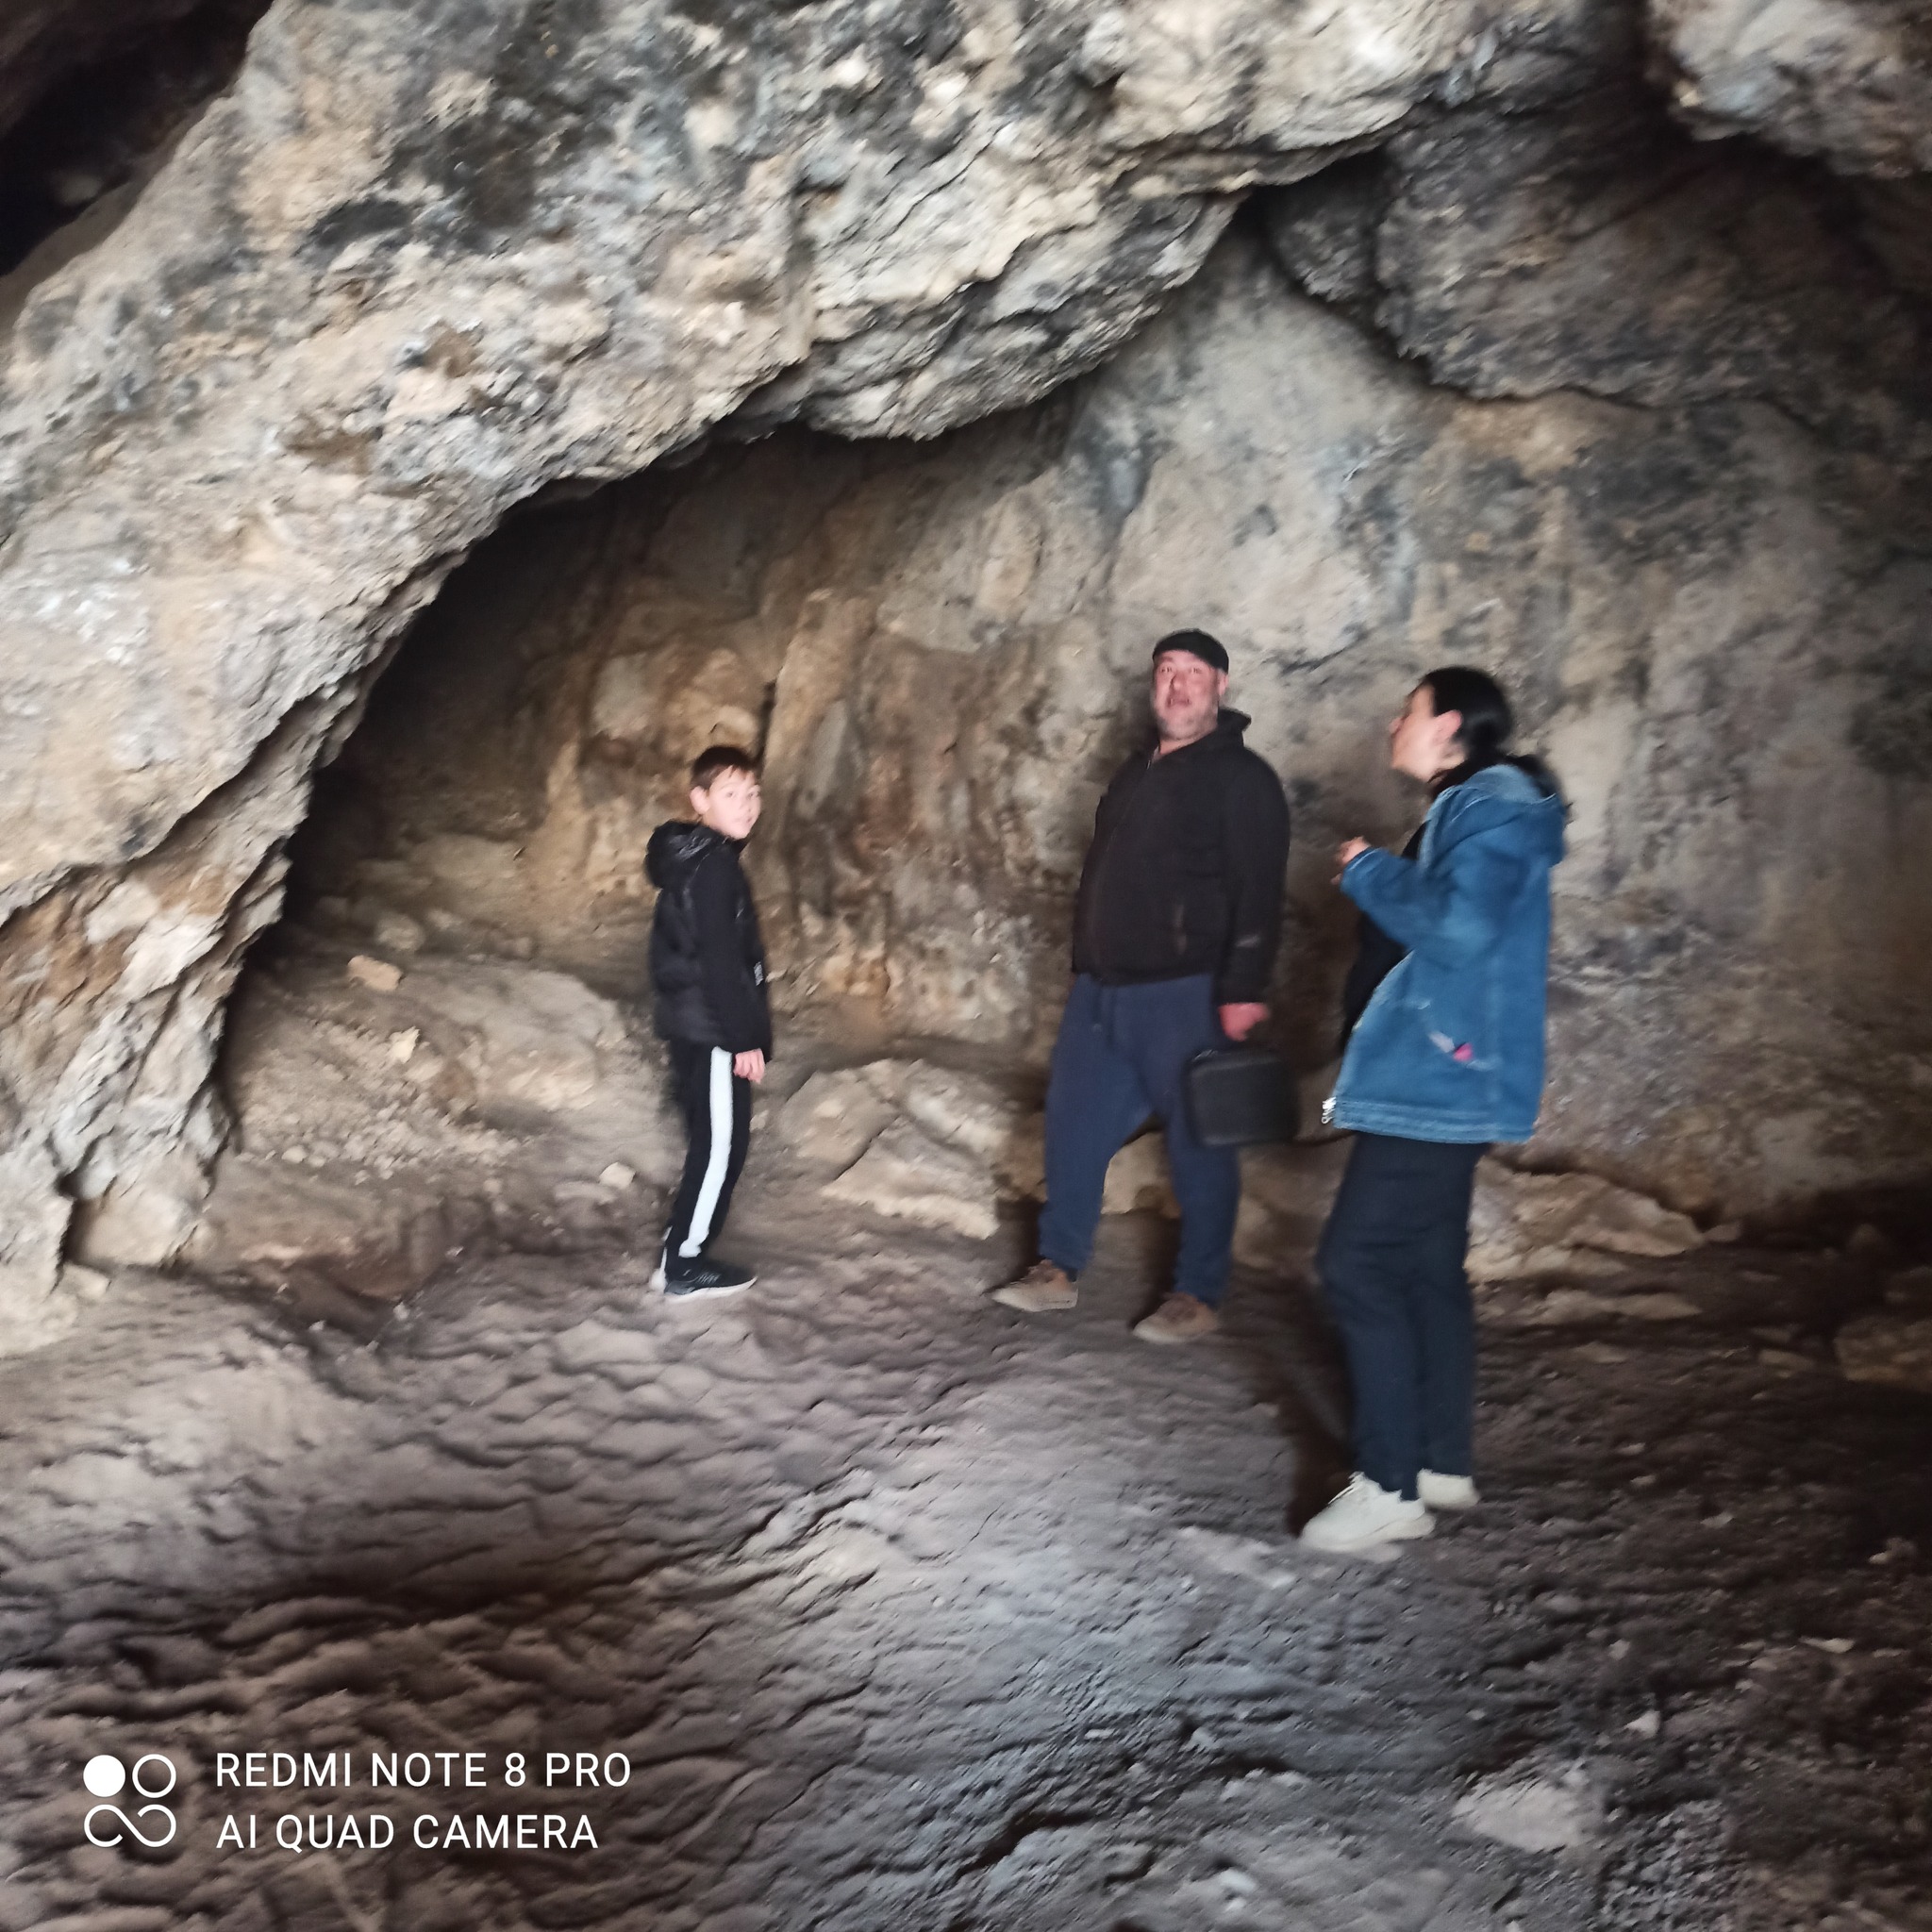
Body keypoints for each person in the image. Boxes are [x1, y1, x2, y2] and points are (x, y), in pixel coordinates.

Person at [1301, 667, 1564, 1552]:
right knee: (1424, 1267)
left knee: (1354, 1264)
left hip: (1436, 1083)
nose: (1392, 724)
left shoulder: (1488, 805)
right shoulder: (1480, 807)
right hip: (1445, 1076)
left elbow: (1456, 930)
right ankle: (1441, 1461)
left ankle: (1388, 1486)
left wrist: (1370, 870)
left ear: (1449, 725)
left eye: (1406, 711)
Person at [991, 630, 1291, 1342]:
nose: (1177, 686)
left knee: (1198, 1141)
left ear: (1220, 686)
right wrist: (1084, 957)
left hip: (1186, 990)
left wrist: (1243, 988)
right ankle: (1058, 1266)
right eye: (1165, 672)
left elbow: (1259, 892)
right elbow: (1103, 875)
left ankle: (1197, 1293)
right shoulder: (1136, 771)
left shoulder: (1243, 780)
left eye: (1193, 673)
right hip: (1104, 988)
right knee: (1073, 1124)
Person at [644, 745, 772, 1297]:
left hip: (692, 1025)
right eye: (730, 794)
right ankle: (684, 1262)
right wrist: (743, 1039)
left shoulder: (696, 859)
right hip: (713, 1031)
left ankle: (680, 1241)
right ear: (700, 801)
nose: (746, 804)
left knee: (711, 1139)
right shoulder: (715, 866)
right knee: (722, 1145)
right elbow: (721, 963)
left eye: (752, 793)